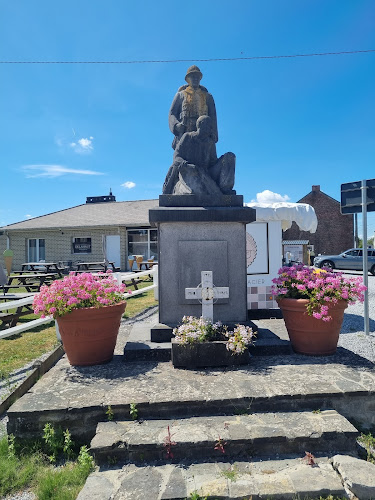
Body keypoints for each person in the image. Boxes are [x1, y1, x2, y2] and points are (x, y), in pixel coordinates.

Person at [163, 115, 235, 195]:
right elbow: (177, 156)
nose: (211, 128)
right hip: (189, 171)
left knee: (230, 157)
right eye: (209, 125)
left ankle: (225, 188)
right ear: (201, 124)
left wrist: (221, 164)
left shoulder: (210, 142)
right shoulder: (187, 137)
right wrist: (186, 165)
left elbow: (212, 162)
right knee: (197, 190)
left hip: (206, 172)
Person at [169, 65, 218, 150]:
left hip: (204, 129)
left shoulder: (208, 96)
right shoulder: (180, 95)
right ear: (188, 79)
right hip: (186, 127)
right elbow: (172, 113)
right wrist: (176, 125)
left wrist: (213, 132)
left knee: (204, 154)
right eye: (193, 76)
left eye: (197, 77)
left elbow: (213, 116)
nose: (195, 79)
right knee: (185, 153)